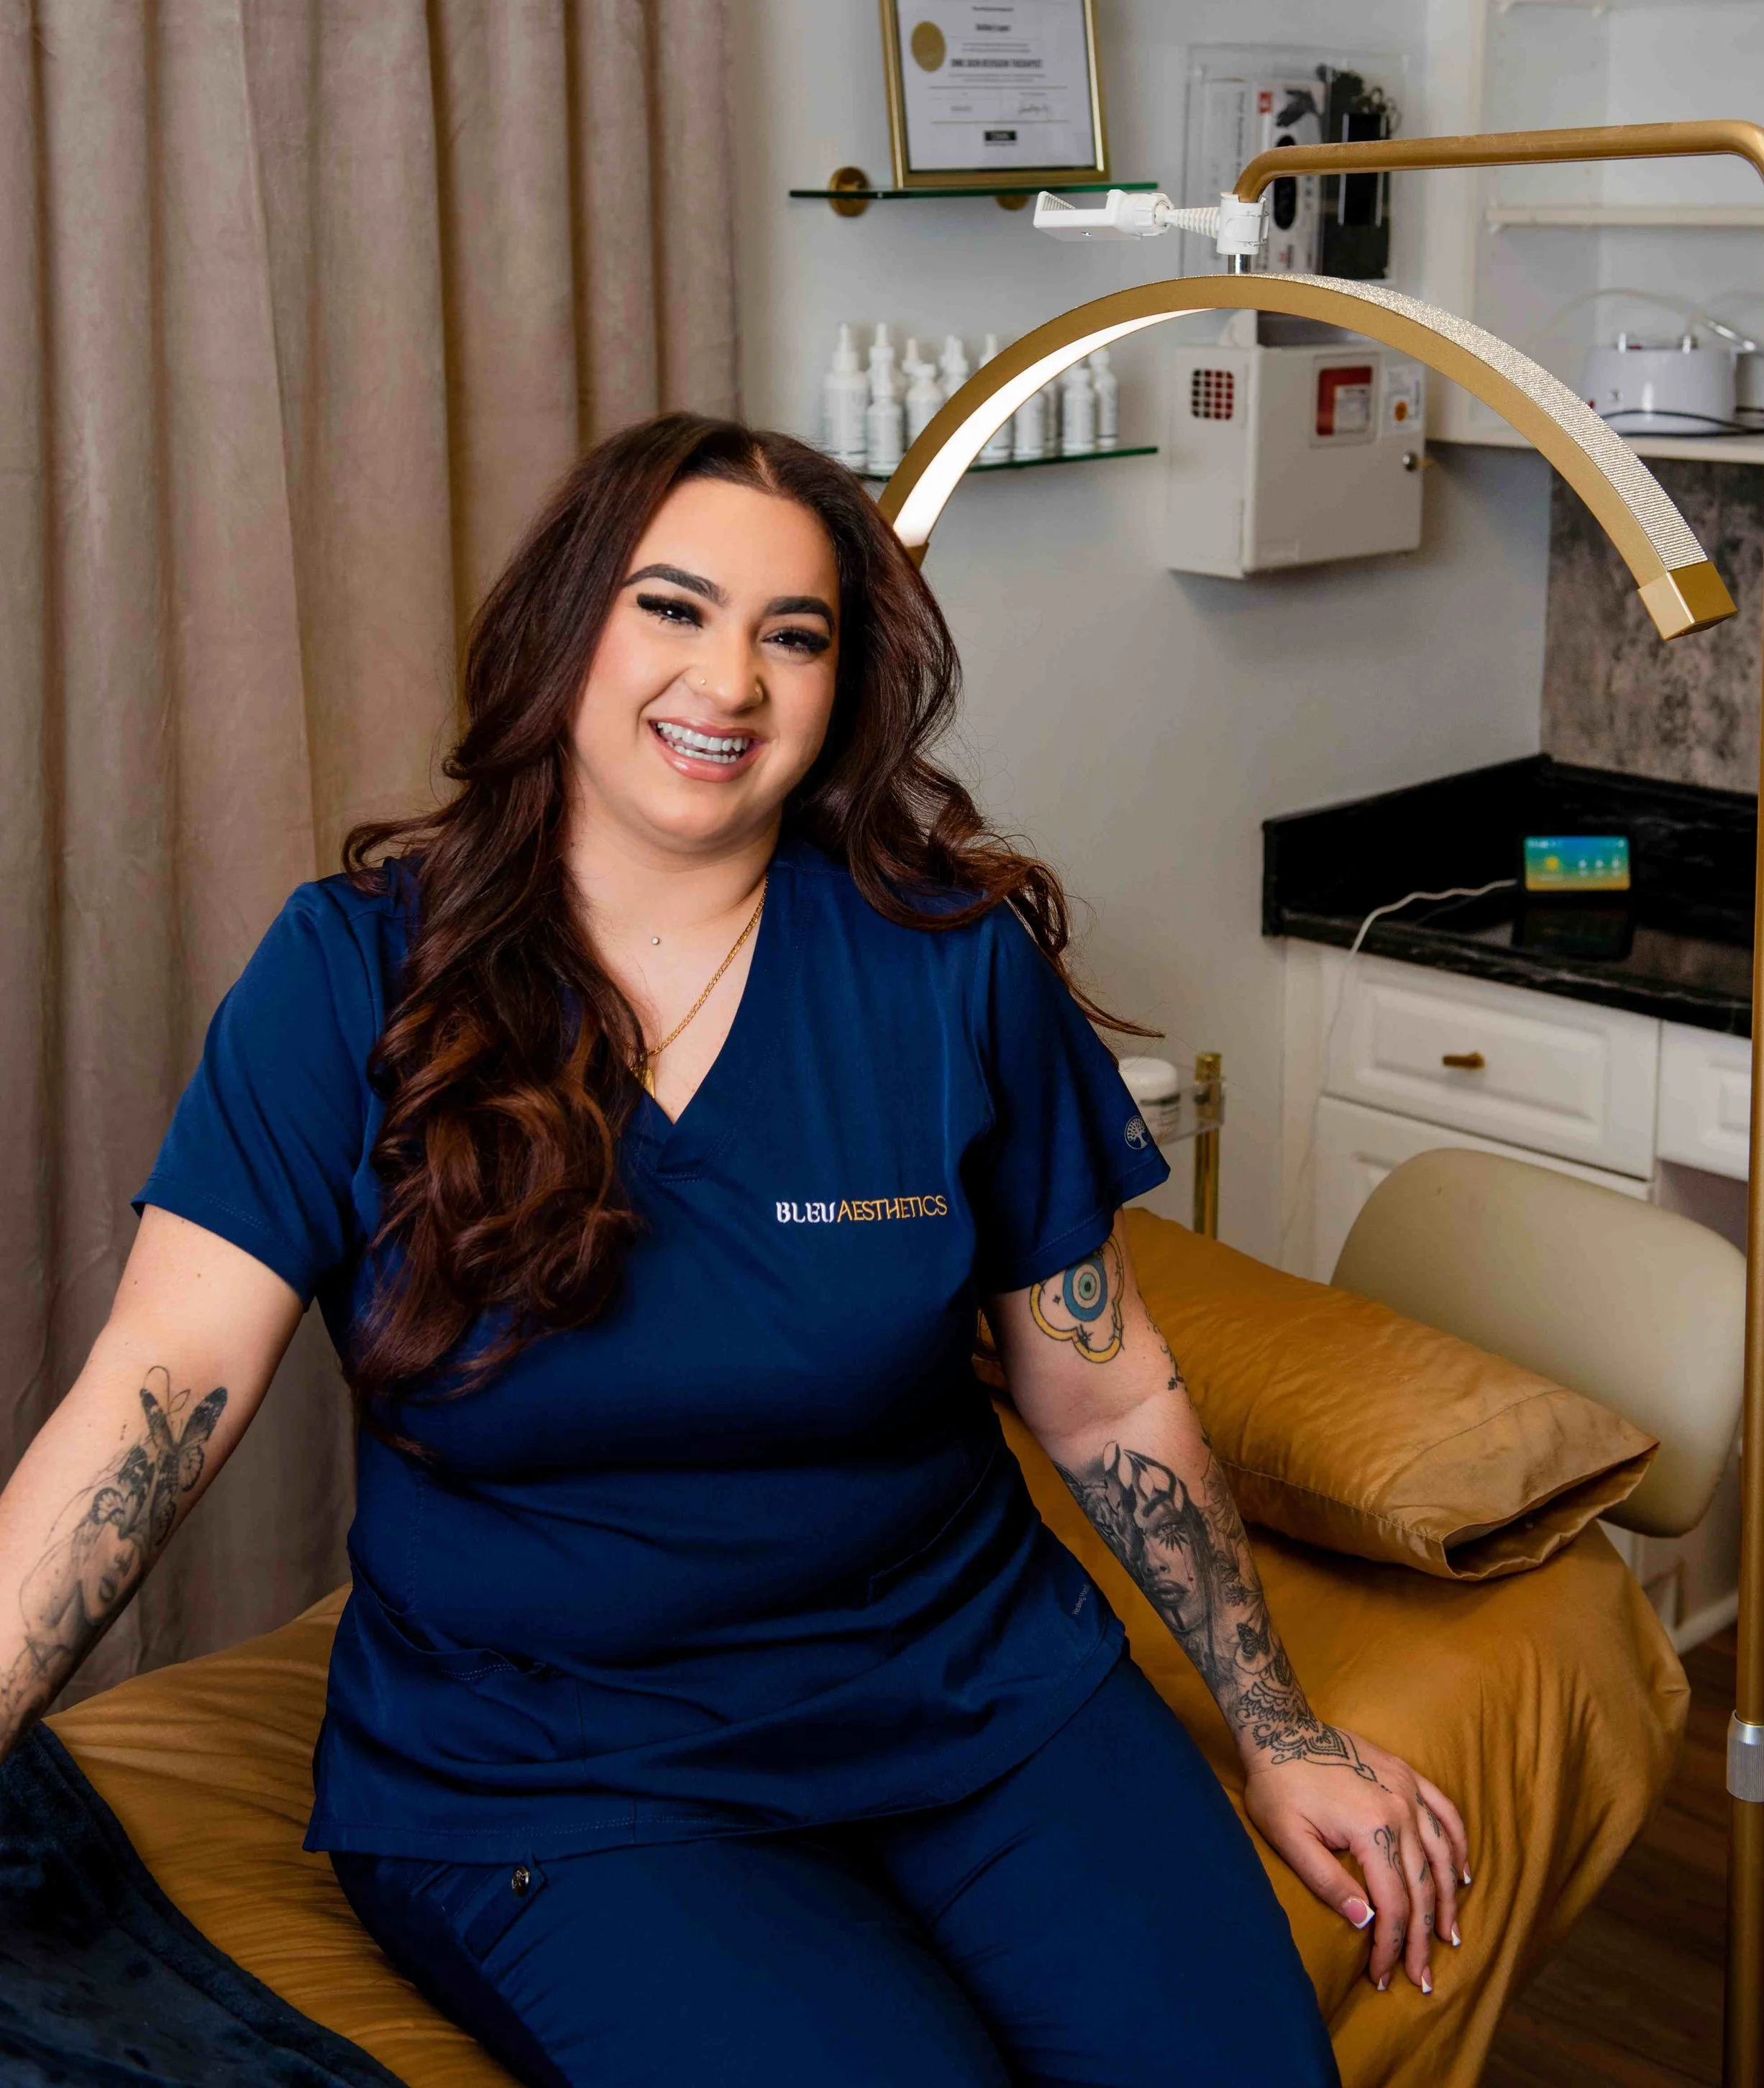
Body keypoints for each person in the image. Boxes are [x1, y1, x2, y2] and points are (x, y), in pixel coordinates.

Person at [0, 415, 1468, 2088]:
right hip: (560, 1776)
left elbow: (1106, 1398)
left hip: (982, 1706)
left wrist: (1278, 1735)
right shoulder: (353, 979)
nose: (731, 682)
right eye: (673, 609)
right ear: (568, 628)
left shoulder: (944, 970)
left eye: (795, 634)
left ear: (844, 685)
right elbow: (157, 1392)